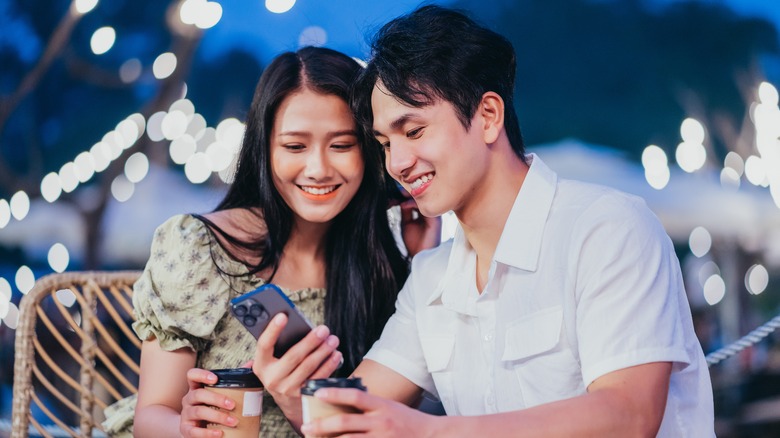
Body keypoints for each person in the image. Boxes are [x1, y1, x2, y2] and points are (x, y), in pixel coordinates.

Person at [269, 6, 715, 437]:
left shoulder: (606, 229)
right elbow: (352, 414)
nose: (398, 163)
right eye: (385, 143)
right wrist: (290, 392)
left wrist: (428, 431)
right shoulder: (432, 278)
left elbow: (628, 415)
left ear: (487, 115)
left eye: (414, 131)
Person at [101, 46, 440, 437]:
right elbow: (150, 416)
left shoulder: (377, 256)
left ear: (369, 150)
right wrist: (186, 429)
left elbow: (391, 414)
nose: (318, 169)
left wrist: (421, 261)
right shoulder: (201, 247)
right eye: (295, 146)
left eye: (342, 145)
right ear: (264, 149)